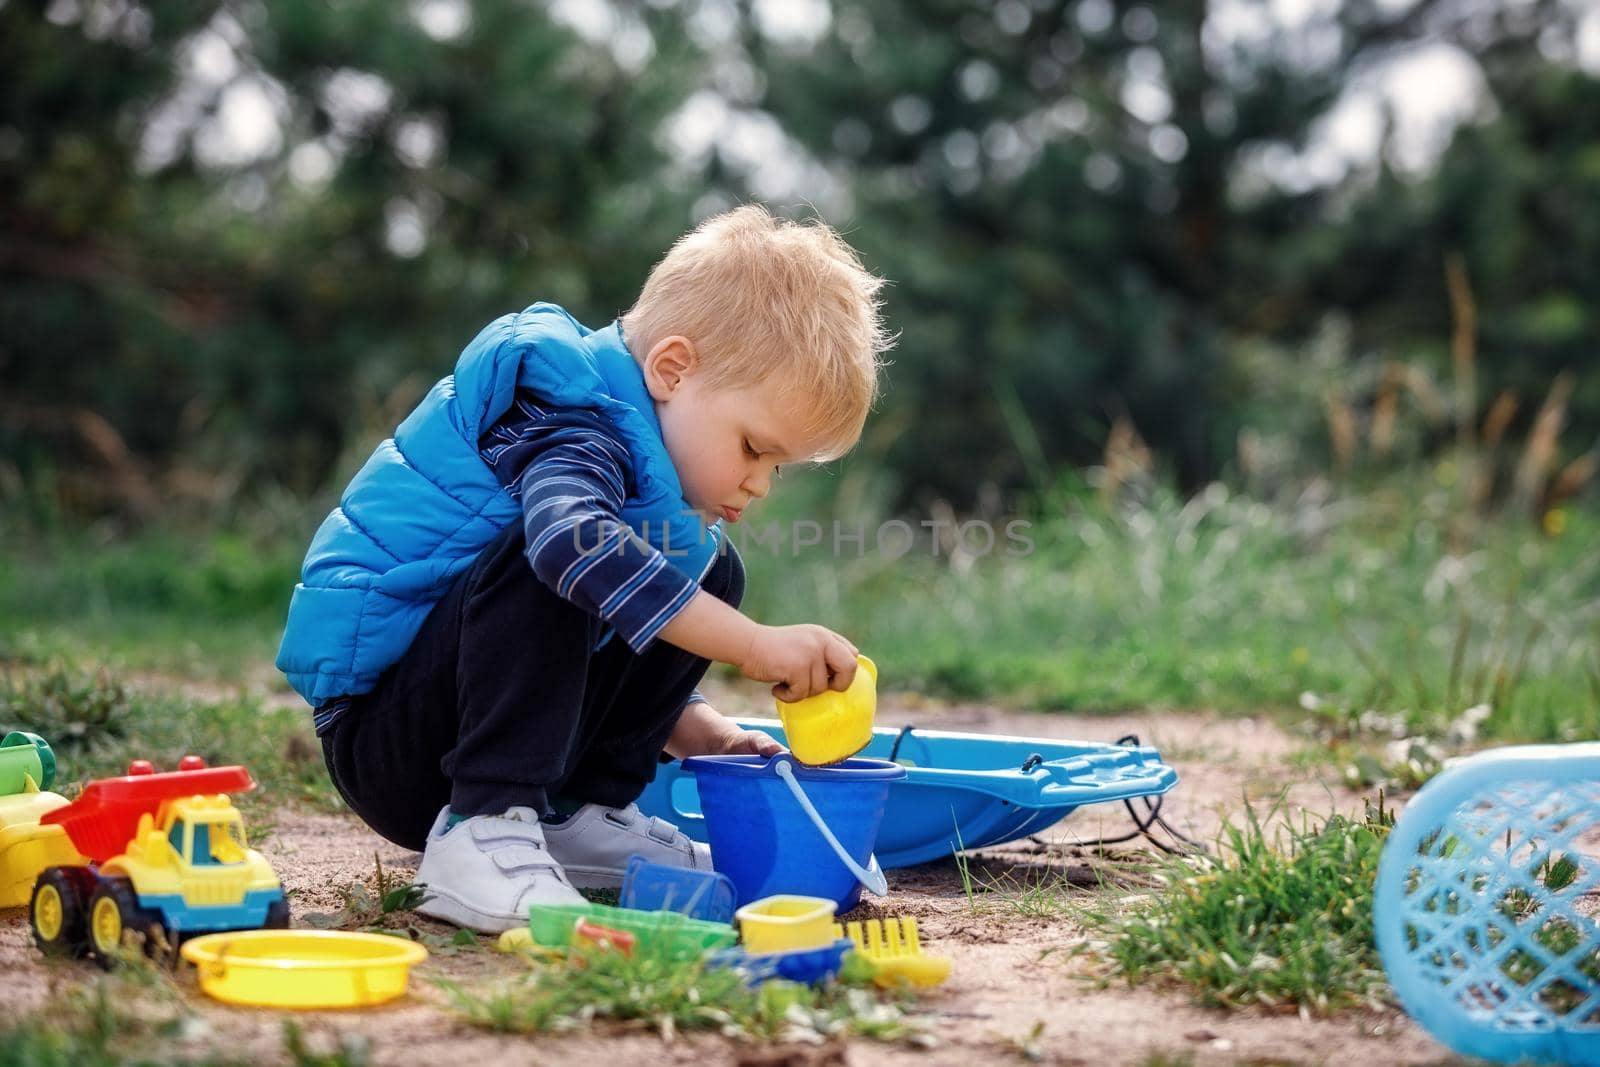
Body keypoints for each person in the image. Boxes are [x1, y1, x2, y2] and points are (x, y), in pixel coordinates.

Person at [275, 204, 893, 931]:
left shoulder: (648, 477)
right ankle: (481, 828)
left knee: (707, 571)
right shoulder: (573, 417)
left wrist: (702, 730)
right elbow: (566, 553)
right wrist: (755, 645)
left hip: (476, 720)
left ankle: (577, 814)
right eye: (755, 447)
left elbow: (569, 656)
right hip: (393, 741)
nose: (760, 482)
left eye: (778, 466)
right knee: (567, 554)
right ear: (671, 368)